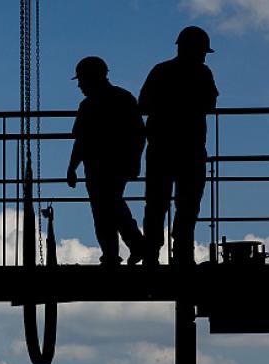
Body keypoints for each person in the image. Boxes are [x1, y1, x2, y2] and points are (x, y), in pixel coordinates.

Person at [139, 26, 219, 265]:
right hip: (190, 148)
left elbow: (142, 105)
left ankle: (152, 254)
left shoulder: (161, 71)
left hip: (161, 148)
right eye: (203, 51)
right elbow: (210, 105)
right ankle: (182, 254)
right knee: (188, 204)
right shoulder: (203, 74)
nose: (204, 56)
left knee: (156, 203)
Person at [66, 56, 146, 266]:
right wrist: (135, 161)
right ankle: (128, 249)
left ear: (91, 78)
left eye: (81, 80)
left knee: (105, 210)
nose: (80, 86)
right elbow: (139, 134)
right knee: (111, 207)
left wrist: (72, 168)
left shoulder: (89, 105)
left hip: (99, 166)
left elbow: (81, 141)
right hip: (115, 164)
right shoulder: (123, 98)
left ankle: (119, 252)